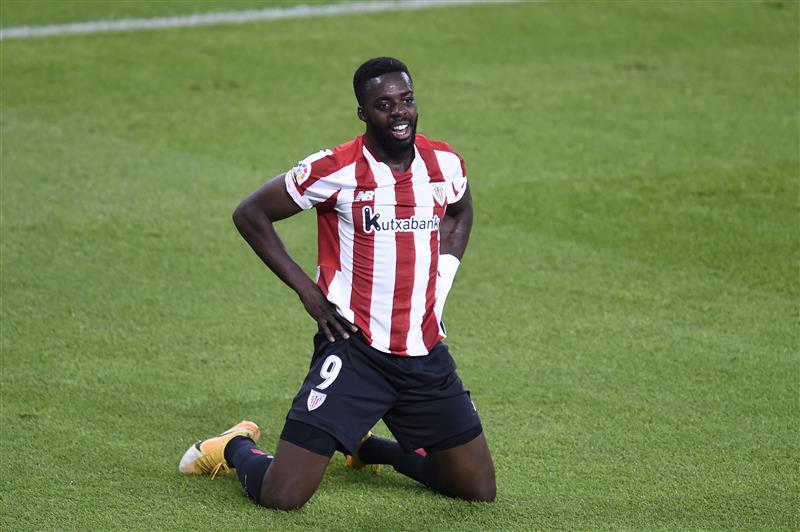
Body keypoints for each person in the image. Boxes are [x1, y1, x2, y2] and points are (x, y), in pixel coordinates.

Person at [178, 57, 496, 510]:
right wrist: (309, 293)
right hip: (355, 351)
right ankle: (232, 446)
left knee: (476, 490)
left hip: (424, 355)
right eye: (383, 105)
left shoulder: (443, 163)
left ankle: (367, 448)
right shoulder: (336, 169)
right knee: (282, 496)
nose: (399, 112)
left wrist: (441, 282)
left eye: (406, 100)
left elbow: (461, 212)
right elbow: (251, 214)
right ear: (363, 113)